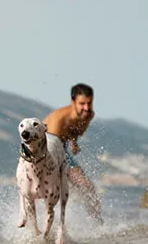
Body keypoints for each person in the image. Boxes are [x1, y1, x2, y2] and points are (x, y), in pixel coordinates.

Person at [43, 83, 104, 224]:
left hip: (63, 150)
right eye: (82, 104)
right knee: (52, 192)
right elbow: (46, 144)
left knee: (88, 187)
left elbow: (74, 130)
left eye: (89, 103)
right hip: (47, 149)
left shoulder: (88, 115)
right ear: (72, 102)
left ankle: (98, 225)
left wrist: (73, 142)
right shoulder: (58, 120)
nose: (86, 108)